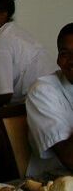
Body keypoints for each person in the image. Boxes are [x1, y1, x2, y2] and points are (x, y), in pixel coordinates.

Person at [26, 22, 73, 177]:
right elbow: (69, 158)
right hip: (54, 181)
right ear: (59, 60)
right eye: (65, 54)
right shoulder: (42, 91)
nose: (71, 61)